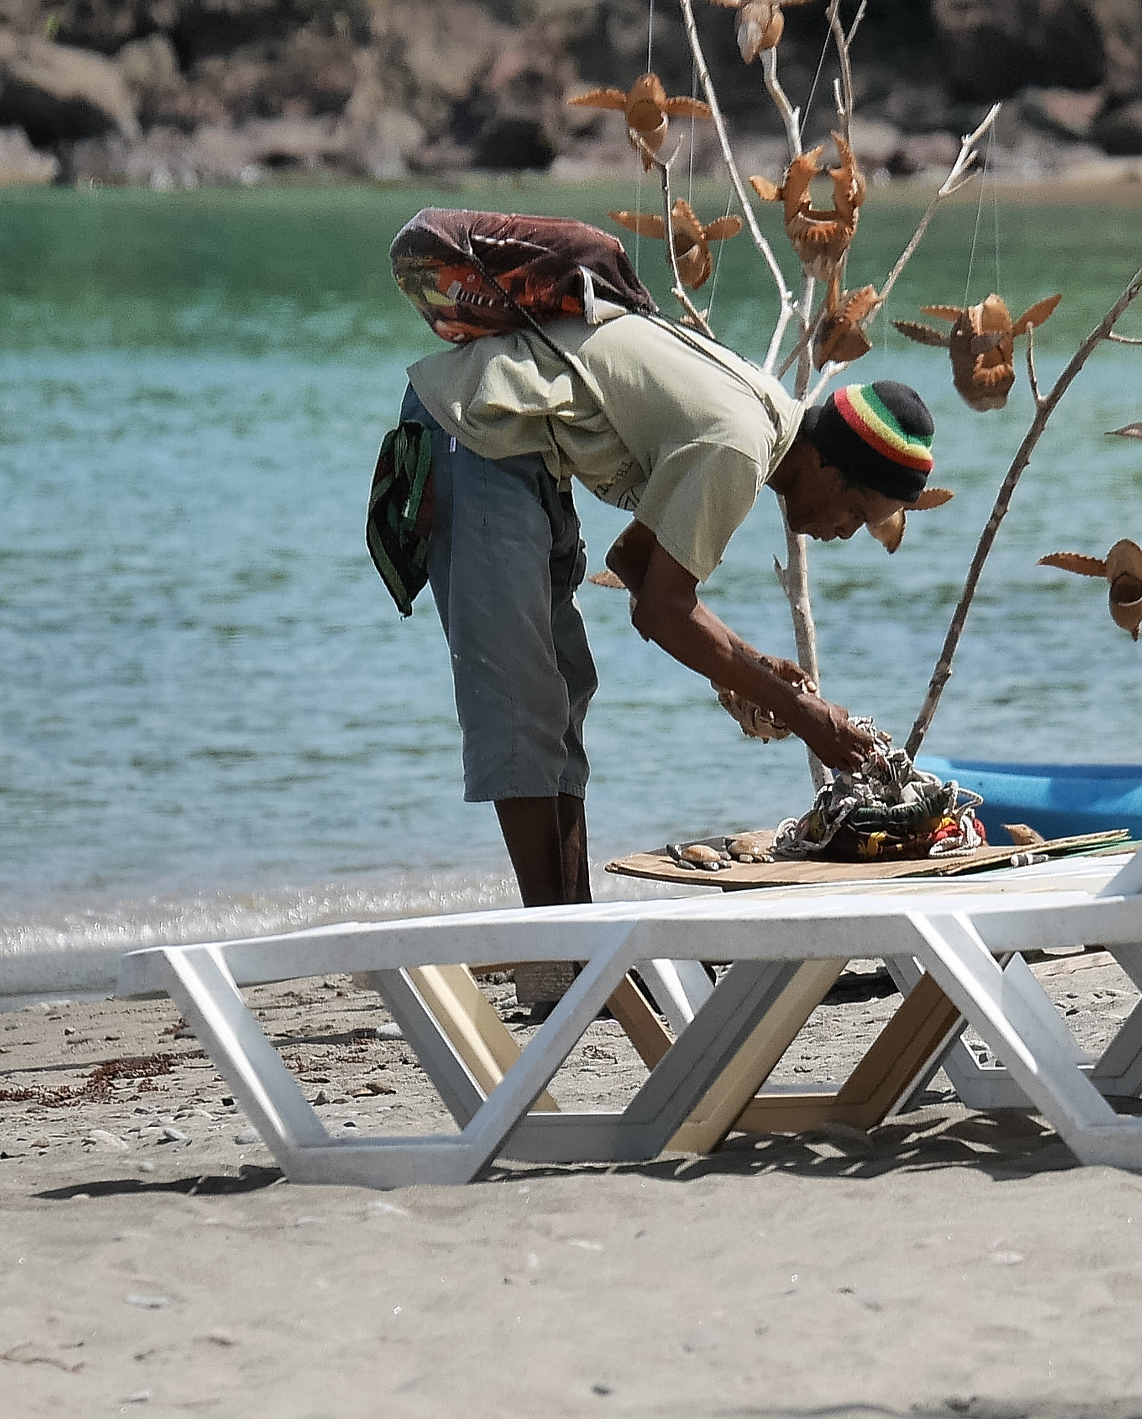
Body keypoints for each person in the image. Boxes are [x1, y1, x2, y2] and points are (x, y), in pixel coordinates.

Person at [400, 303, 937, 1005]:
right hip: (476, 429)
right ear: (831, 473)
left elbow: (634, 561)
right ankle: (554, 971)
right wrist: (805, 714)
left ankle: (574, 954)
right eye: (857, 516)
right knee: (521, 704)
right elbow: (661, 610)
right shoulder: (742, 444)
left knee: (562, 694)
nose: (843, 535)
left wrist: (753, 671)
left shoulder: (762, 420)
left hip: (518, 447)